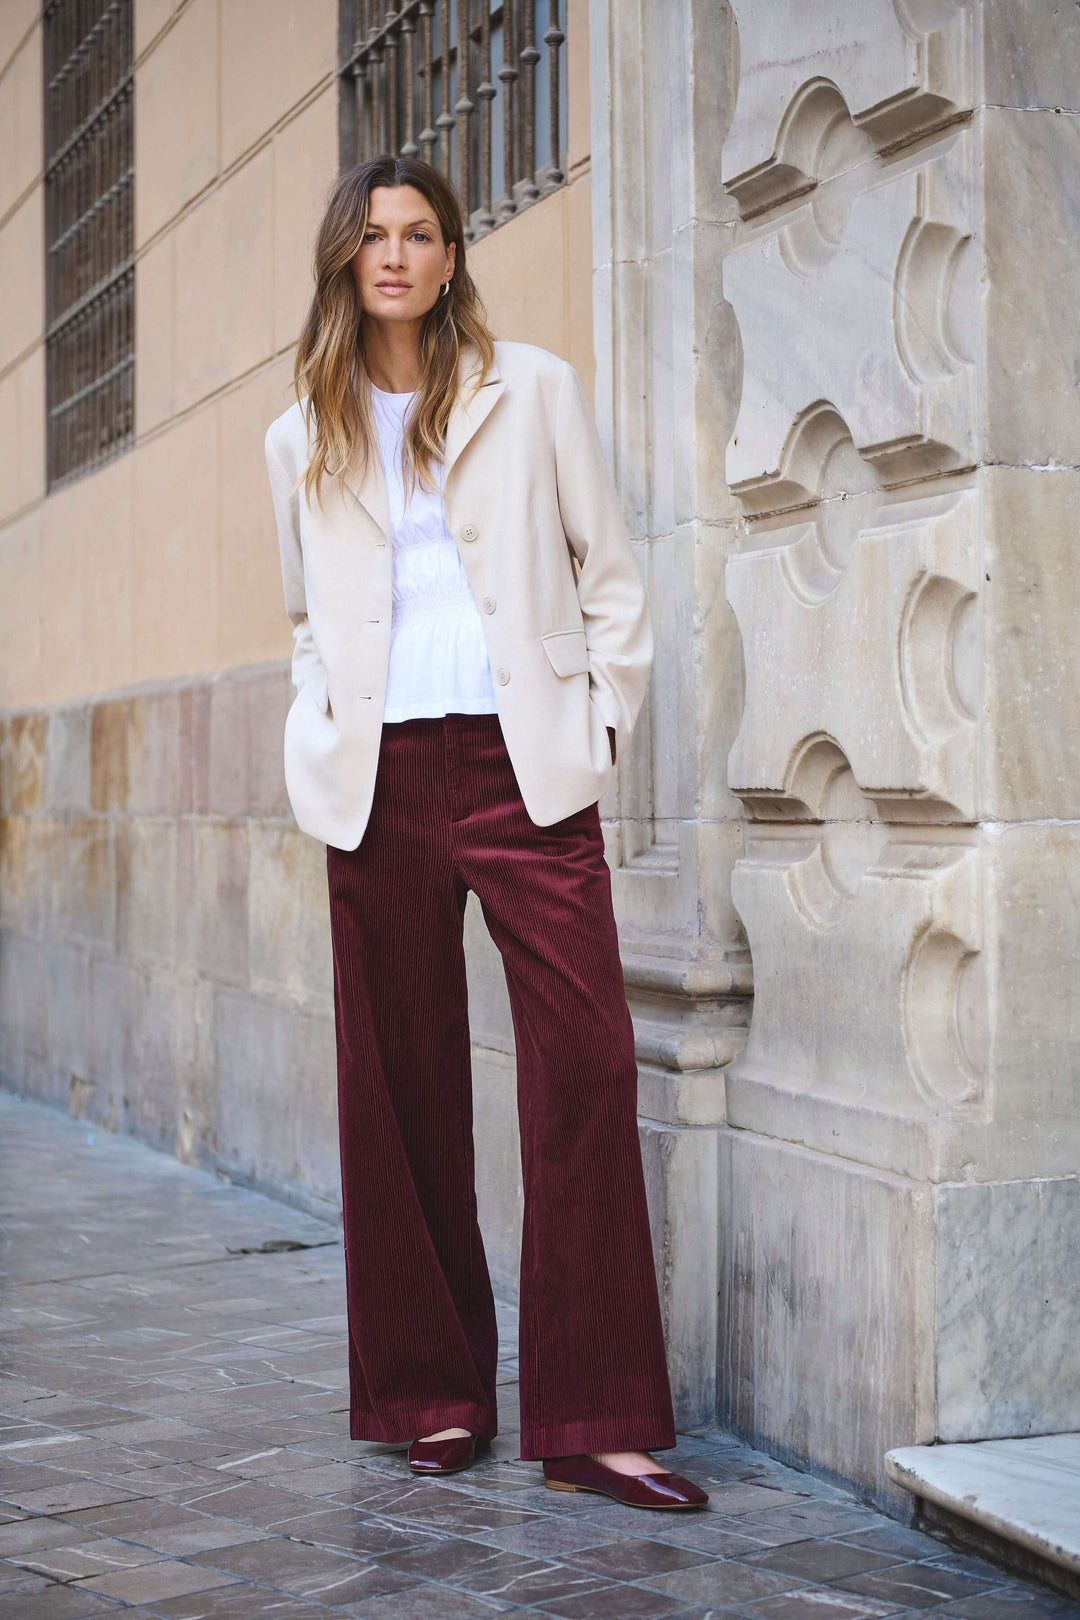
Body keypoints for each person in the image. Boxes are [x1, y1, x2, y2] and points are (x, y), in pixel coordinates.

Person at [263, 155, 708, 1512]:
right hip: (381, 778)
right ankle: (435, 1396)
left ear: (453, 256)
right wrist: (319, 723)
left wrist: (604, 722)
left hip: (528, 771)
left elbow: (613, 578)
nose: (394, 256)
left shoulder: (538, 390)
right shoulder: (300, 435)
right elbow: (303, 614)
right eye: (373, 236)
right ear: (347, 260)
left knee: (586, 1060)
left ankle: (598, 1417)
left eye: (420, 235)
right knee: (400, 1093)